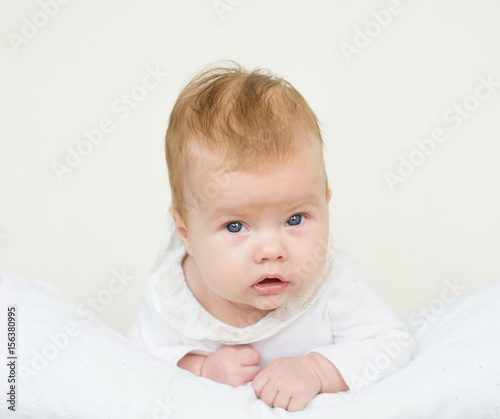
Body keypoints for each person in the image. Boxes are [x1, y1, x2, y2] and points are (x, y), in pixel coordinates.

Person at [128, 61, 415, 412]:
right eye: (235, 226)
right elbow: (136, 363)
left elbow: (390, 343)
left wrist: (316, 369)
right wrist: (200, 367)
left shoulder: (333, 279)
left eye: (295, 218)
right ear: (186, 235)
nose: (272, 251)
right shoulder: (171, 296)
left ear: (325, 204)